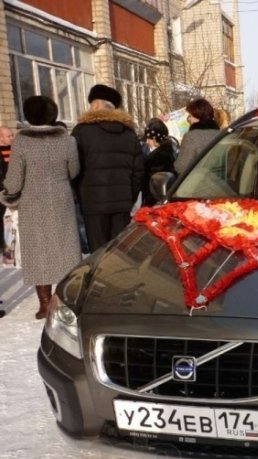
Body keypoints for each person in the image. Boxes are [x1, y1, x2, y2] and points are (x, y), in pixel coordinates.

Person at [0, 96, 81, 319]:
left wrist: (7, 195)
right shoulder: (66, 139)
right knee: (65, 248)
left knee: (37, 251)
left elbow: (14, 178)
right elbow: (73, 170)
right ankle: (61, 300)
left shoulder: (22, 141)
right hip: (61, 198)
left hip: (32, 201)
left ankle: (45, 304)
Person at [71, 84, 144, 253]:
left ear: (96, 105)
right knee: (119, 253)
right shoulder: (129, 133)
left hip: (92, 204)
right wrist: (129, 197)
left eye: (91, 104)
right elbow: (138, 172)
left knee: (98, 253)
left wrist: (80, 194)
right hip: (122, 204)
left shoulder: (81, 131)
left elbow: (74, 168)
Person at [174, 98, 220, 174]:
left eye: (190, 115)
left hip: (197, 183)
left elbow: (181, 167)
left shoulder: (191, 137)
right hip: (220, 183)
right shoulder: (221, 134)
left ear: (198, 115)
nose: (188, 119)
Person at [141, 118, 176, 206]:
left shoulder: (159, 157)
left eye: (149, 139)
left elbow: (153, 180)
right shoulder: (168, 151)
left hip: (154, 199)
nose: (147, 142)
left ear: (156, 139)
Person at [0, 126, 14, 261]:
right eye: (9, 136)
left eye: (12, 135)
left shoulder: (15, 150)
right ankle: (4, 247)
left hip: (14, 191)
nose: (12, 138)